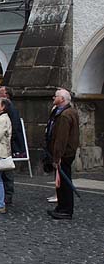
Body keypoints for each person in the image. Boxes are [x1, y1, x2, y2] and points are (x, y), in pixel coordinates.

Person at [46, 88, 79, 220]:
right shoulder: (64, 112)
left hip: (64, 154)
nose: (54, 98)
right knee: (60, 182)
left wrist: (57, 156)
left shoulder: (65, 115)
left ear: (62, 99)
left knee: (64, 182)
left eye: (56, 96)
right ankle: (61, 207)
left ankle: (65, 209)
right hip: (65, 152)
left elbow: (61, 138)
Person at [0, 86, 26, 205]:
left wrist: (9, 142)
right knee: (2, 170)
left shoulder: (11, 109)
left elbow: (14, 128)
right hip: (5, 144)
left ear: (6, 95)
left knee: (7, 170)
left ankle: (8, 195)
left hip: (8, 145)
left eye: (0, 93)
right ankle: (3, 194)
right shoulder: (7, 109)